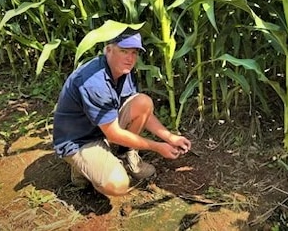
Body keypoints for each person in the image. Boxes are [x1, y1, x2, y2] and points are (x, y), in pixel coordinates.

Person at [52, 30, 192, 197]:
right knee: (117, 184)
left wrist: (170, 137)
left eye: (134, 52)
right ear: (108, 50)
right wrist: (158, 147)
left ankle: (127, 154)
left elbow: (141, 111)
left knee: (143, 102)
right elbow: (113, 134)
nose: (130, 58)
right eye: (123, 51)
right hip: (78, 140)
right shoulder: (95, 83)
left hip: (101, 127)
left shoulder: (123, 69)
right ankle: (80, 169)